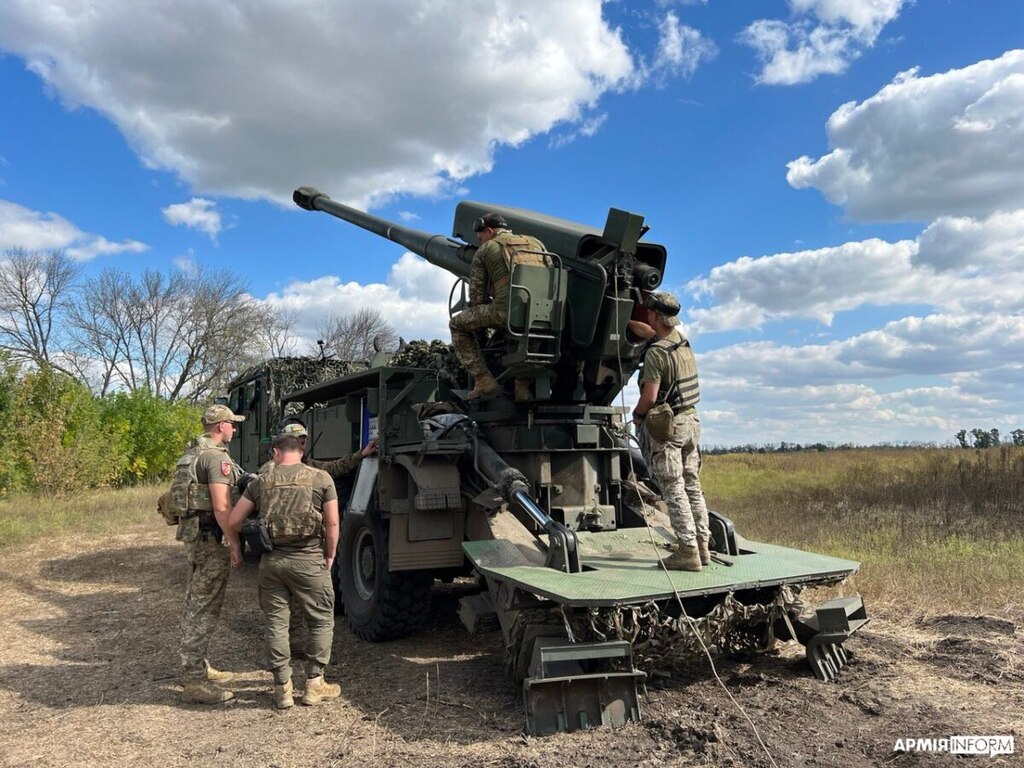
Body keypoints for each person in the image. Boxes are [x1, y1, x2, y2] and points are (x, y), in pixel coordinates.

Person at [226, 432, 341, 709]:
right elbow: (333, 523)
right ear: (300, 451)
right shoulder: (321, 478)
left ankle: (282, 688)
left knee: (276, 623)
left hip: (272, 563)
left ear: (276, 453)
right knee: (321, 620)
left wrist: (255, 534)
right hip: (309, 559)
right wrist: (330, 554)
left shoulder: (261, 481)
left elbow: (234, 519)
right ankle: (314, 685)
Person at [255, 422, 376, 664]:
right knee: (282, 612)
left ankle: (293, 648)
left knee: (297, 606)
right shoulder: (270, 470)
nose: (301, 442)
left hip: (300, 550)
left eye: (303, 439)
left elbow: (335, 467)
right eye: (296, 438)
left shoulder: (310, 469)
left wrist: (361, 455)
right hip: (282, 549)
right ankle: (289, 661)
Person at [631, 291, 710, 572]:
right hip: (691, 423)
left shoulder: (656, 354)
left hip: (669, 427)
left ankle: (686, 551)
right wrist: (627, 325)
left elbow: (650, 397)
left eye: (650, 312)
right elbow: (650, 332)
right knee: (692, 486)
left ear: (655, 315)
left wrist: (638, 416)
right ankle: (702, 546)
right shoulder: (681, 342)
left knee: (673, 489)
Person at [177, 403, 245, 704]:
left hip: (194, 536)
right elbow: (221, 506)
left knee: (196, 601)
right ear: (220, 426)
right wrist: (234, 542)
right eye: (232, 423)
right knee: (203, 608)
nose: (235, 428)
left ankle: (199, 665)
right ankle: (194, 680)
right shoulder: (216, 459)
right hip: (210, 539)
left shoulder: (191, 454)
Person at [449, 212, 550, 400]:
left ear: (489, 231)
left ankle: (483, 381)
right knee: (530, 330)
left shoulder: (487, 249)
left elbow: (477, 297)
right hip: (543, 314)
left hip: (505, 313)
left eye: (480, 237)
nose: (480, 241)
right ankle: (522, 386)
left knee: (457, 325)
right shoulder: (536, 243)